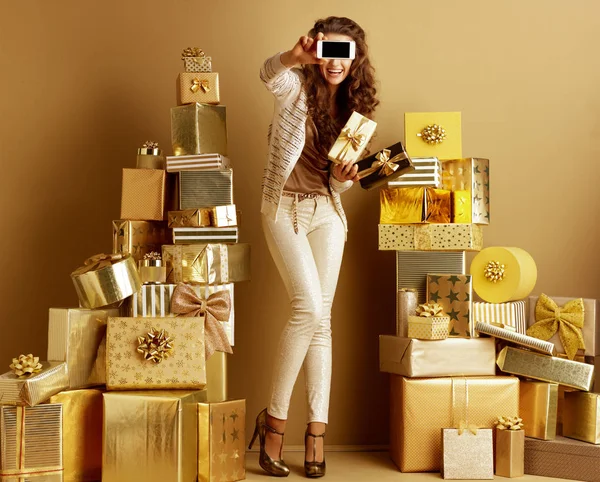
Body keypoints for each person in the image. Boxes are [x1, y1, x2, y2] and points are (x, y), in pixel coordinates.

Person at [248, 16, 379, 478]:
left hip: (327, 213)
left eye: (345, 53)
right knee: (306, 307)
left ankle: (316, 434)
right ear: (318, 51)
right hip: (283, 208)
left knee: (322, 320)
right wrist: (294, 56)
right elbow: (268, 73)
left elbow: (335, 186)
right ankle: (275, 424)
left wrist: (344, 180)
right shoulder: (296, 89)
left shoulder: (356, 111)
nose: (335, 62)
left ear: (356, 57)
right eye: (329, 51)